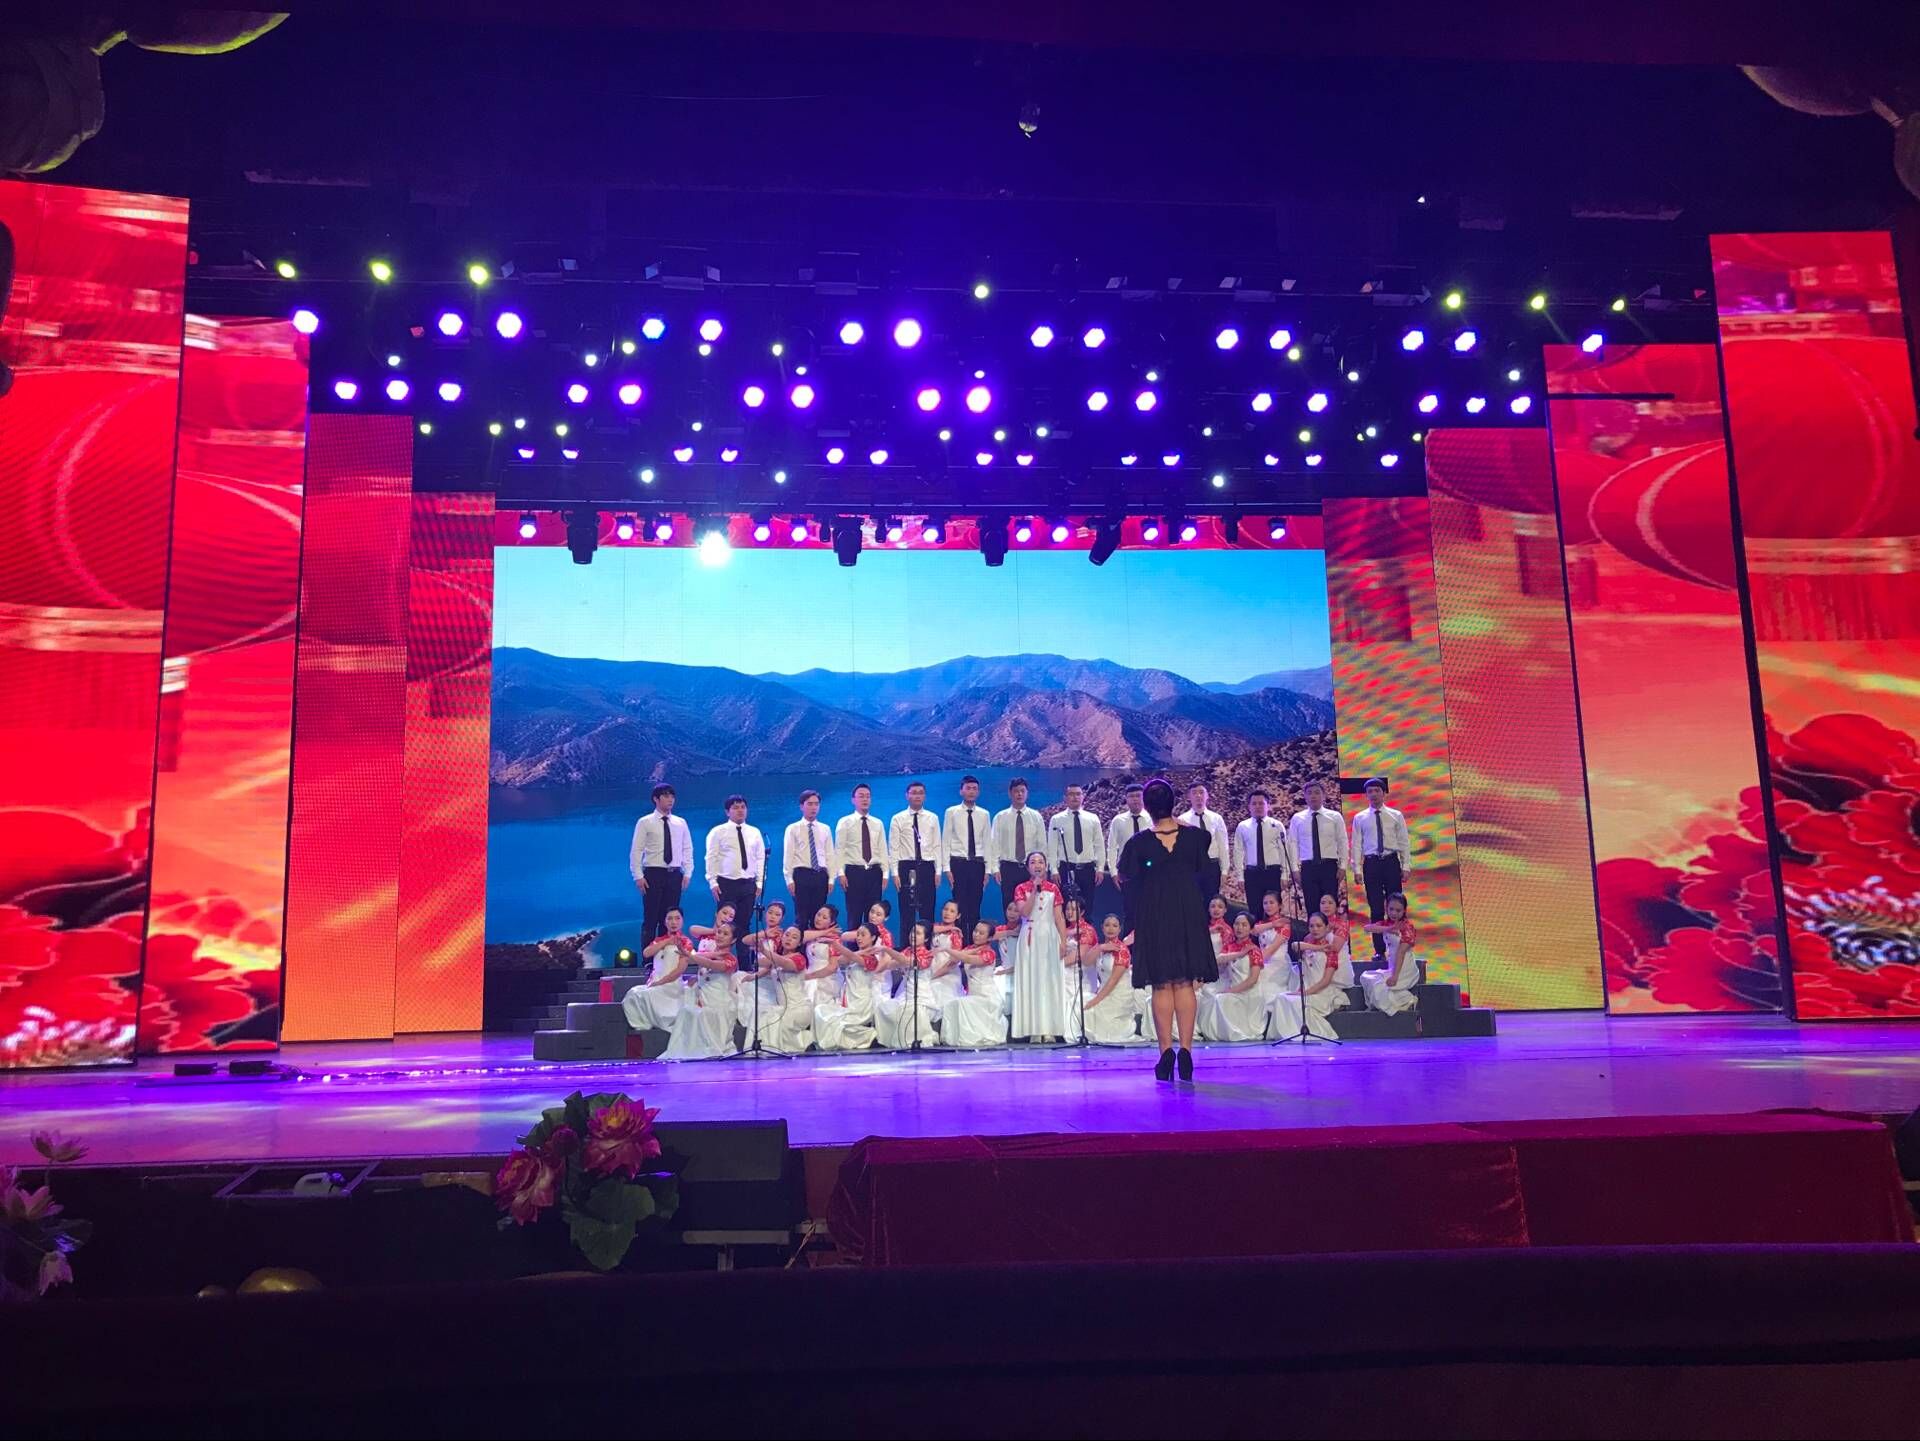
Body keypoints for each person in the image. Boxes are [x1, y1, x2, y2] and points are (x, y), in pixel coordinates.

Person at [1117, 777, 1219, 1082]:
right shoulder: (1196, 837)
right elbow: (1205, 871)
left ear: (1147, 807)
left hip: (1155, 914)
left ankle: (1165, 1053)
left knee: (1162, 984)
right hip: (1188, 912)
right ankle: (1186, 1050)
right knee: (1185, 983)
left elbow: (1126, 878)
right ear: (1174, 803)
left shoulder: (1138, 843)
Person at [1010, 850, 1069, 1041]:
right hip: (1030, 934)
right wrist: (1034, 891)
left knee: (1049, 980)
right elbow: (1025, 912)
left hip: (1049, 936)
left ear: (1046, 866)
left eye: (1041, 862)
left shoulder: (1053, 888)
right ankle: (1034, 1029)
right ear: (1028, 867)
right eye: (1033, 862)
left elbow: (1059, 917)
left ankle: (1050, 1028)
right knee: (1032, 979)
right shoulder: (1021, 888)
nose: (1037, 865)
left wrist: (1063, 941)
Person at [1349, 778, 1410, 958]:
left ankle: (1399, 945)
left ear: (1384, 793)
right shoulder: (1360, 818)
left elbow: (1403, 842)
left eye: (1377, 790)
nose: (1373, 794)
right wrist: (1357, 869)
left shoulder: (1396, 815)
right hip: (1372, 864)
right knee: (1376, 907)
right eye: (1370, 791)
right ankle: (1379, 950)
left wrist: (1406, 866)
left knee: (1396, 906)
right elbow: (1356, 844)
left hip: (1391, 862)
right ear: (1366, 795)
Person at [661, 921, 740, 1060]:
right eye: (719, 932)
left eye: (725, 934)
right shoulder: (706, 954)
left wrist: (690, 955)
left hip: (719, 1003)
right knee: (686, 1011)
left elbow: (711, 964)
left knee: (701, 1014)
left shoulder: (731, 960)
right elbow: (695, 961)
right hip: (702, 999)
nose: (720, 936)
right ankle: (686, 1051)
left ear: (733, 940)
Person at [705, 795, 766, 970]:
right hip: (726, 884)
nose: (740, 810)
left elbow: (760, 858)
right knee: (724, 926)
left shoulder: (754, 832)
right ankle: (720, 963)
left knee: (744, 925)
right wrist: (713, 882)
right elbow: (711, 857)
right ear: (727, 811)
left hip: (748, 884)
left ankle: (745, 967)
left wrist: (759, 883)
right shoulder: (718, 832)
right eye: (735, 807)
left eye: (743, 807)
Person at [629, 784, 694, 945]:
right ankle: (648, 957)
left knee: (670, 919)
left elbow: (687, 848)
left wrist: (687, 873)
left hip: (674, 875)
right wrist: (638, 876)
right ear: (656, 799)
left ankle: (666, 955)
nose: (670, 799)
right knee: (651, 919)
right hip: (653, 874)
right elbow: (636, 850)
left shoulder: (680, 822)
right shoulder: (645, 822)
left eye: (672, 796)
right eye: (665, 796)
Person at [890, 781, 944, 962]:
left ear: (925, 796)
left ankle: (926, 955)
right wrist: (895, 873)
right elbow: (894, 848)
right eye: (913, 792)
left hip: (927, 867)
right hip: (907, 867)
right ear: (907, 795)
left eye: (920, 792)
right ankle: (906, 955)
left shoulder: (932, 818)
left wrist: (938, 871)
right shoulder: (898, 818)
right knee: (907, 912)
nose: (917, 795)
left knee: (927, 911)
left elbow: (937, 845)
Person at [1273, 912, 1349, 1042]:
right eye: (1311, 926)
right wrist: (1319, 947)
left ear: (1326, 927)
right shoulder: (1311, 946)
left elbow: (1325, 981)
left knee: (1296, 1001)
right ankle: (1287, 1034)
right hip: (1305, 989)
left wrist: (1305, 993)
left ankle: (1302, 1032)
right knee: (1281, 997)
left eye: (1319, 926)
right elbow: (1295, 945)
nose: (1315, 929)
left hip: (1321, 993)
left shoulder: (1331, 952)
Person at [807, 913, 878, 1052]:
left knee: (833, 1021)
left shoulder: (872, 959)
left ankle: (869, 1035)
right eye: (858, 934)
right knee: (820, 1010)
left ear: (873, 938)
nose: (859, 938)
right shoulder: (857, 955)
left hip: (860, 1004)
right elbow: (840, 960)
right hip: (847, 1001)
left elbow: (851, 956)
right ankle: (818, 1042)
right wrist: (860, 952)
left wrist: (835, 944)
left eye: (863, 935)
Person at [1197, 912, 1268, 1043]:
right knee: (1208, 994)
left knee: (1222, 999)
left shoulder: (1254, 950)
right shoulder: (1230, 946)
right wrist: (1239, 954)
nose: (1239, 928)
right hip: (1232, 988)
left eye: (1244, 925)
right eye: (1236, 924)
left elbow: (1252, 980)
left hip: (1249, 992)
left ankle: (1232, 1033)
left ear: (1251, 929)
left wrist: (1231, 991)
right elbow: (1218, 960)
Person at [940, 920, 1008, 1049]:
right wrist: (974, 950)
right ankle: (952, 1040)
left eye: (981, 933)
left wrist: (946, 949)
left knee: (961, 1003)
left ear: (989, 938)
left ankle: (969, 1038)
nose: (976, 935)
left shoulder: (989, 953)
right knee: (951, 1003)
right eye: (975, 931)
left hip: (987, 997)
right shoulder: (969, 949)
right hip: (973, 995)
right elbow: (954, 959)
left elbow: (967, 959)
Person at [621, 907, 690, 1033]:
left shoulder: (686, 942)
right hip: (655, 982)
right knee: (633, 994)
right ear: (665, 922)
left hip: (671, 985)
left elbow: (680, 970)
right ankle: (643, 1025)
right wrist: (667, 941)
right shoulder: (659, 940)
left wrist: (660, 982)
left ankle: (659, 1021)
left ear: (682, 921)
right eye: (670, 919)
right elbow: (646, 953)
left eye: (677, 918)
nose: (673, 922)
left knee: (647, 995)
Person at [874, 922, 941, 1050]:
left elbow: (907, 961)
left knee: (910, 1011)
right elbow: (890, 965)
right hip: (905, 995)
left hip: (921, 996)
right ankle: (886, 1041)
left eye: (918, 933)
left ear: (926, 938)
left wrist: (888, 950)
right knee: (883, 1008)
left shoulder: (928, 954)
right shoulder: (907, 951)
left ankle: (911, 1040)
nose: (913, 935)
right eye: (912, 932)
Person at [943, 775, 994, 938]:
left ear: (978, 792)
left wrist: (988, 870)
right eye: (968, 788)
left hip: (977, 865)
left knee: (975, 906)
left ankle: (974, 943)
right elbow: (946, 841)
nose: (971, 791)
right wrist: (947, 868)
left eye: (974, 788)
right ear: (961, 791)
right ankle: (958, 942)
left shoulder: (984, 814)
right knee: (959, 907)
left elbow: (987, 843)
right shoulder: (951, 812)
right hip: (958, 864)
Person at [783, 790, 838, 942]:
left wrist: (831, 879)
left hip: (820, 875)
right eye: (810, 804)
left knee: (818, 917)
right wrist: (789, 879)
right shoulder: (793, 828)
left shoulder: (825, 829)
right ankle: (799, 950)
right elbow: (788, 855)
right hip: (801, 875)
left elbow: (830, 855)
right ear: (802, 806)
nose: (813, 807)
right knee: (801, 916)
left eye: (816, 804)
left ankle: (816, 949)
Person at [1288, 780, 1347, 919]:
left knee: (1329, 906)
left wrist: (1343, 866)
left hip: (1329, 867)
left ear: (1323, 795)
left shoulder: (1335, 816)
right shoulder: (1297, 818)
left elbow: (1342, 841)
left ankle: (1331, 932)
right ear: (1305, 796)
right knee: (1312, 906)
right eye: (1309, 793)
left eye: (1317, 792)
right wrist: (1294, 869)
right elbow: (1293, 844)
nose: (1313, 796)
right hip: (1308, 868)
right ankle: (1313, 933)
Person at [1047, 782, 1106, 921]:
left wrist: (1100, 868)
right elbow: (1052, 847)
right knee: (1067, 909)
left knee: (1087, 909)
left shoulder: (1093, 818)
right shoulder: (1057, 819)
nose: (1075, 797)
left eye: (1078, 794)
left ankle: (1087, 934)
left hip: (1087, 869)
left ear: (1083, 796)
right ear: (1065, 798)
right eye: (1071, 794)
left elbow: (1099, 845)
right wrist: (1054, 870)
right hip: (1066, 869)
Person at [835, 783, 890, 934]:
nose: (865, 799)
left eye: (867, 796)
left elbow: (883, 849)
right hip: (854, 873)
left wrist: (885, 874)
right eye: (861, 796)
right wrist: (841, 873)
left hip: (875, 873)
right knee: (854, 914)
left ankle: (871, 948)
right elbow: (839, 850)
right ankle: (853, 948)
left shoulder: (877, 823)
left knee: (873, 917)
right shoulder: (845, 822)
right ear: (853, 800)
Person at [1083, 915, 1144, 1045]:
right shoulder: (1101, 948)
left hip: (1118, 995)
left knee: (1090, 1011)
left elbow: (1113, 981)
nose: (1110, 929)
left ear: (1119, 929)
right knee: (1079, 1004)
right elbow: (1086, 961)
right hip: (1103, 992)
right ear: (1102, 928)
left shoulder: (1122, 950)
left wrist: (1095, 1001)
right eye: (1107, 925)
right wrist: (1100, 948)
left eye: (1115, 926)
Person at [1232, 790, 1291, 923]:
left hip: (1272, 873)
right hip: (1252, 874)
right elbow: (1238, 851)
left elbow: (1284, 851)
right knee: (1255, 911)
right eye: (1254, 803)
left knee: (1273, 911)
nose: (1257, 806)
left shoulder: (1277, 825)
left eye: (1261, 803)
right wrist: (1240, 876)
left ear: (1268, 805)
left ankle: (1274, 936)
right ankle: (1257, 936)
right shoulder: (1243, 826)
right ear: (1249, 806)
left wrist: (1285, 875)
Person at [757, 924, 816, 1053]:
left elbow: (785, 963)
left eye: (794, 937)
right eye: (787, 935)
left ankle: (806, 1041)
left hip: (798, 1008)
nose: (789, 939)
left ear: (799, 943)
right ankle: (766, 1053)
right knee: (765, 1020)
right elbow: (760, 961)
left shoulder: (800, 959)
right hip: (782, 1008)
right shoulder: (775, 959)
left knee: (780, 1024)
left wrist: (765, 951)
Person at [1359, 893, 1420, 1016]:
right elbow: (1367, 928)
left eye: (1398, 910)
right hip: (1392, 967)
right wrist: (1388, 929)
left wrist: (1395, 977)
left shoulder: (1407, 927)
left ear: (1404, 911)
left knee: (1378, 985)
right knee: (1366, 978)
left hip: (1404, 969)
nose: (1394, 913)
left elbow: (1401, 953)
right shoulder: (1387, 924)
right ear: (1386, 908)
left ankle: (1397, 1004)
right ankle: (1405, 1000)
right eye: (1391, 909)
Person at [991, 778, 1040, 918]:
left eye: (1022, 791)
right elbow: (994, 844)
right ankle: (1010, 932)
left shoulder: (1035, 816)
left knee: (1032, 907)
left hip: (1030, 869)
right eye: (1016, 791)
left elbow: (1041, 845)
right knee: (1010, 908)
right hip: (1008, 869)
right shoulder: (1000, 817)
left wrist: (1041, 870)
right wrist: (995, 868)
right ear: (1010, 793)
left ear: (1027, 793)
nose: (1019, 794)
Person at [1106, 782, 1150, 930]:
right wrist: (1113, 872)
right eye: (1131, 796)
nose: (1135, 799)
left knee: (1150, 912)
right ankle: (1128, 944)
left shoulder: (1152, 819)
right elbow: (1112, 847)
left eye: (1138, 796)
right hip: (1127, 873)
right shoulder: (1118, 821)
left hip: (1149, 872)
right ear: (1126, 799)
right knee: (1130, 913)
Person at [1177, 782, 1230, 903]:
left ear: (1207, 795)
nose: (1198, 796)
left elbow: (1223, 846)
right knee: (1192, 902)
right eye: (1194, 793)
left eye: (1201, 792)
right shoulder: (1182, 820)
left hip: (1212, 866)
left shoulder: (1216, 818)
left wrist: (1224, 870)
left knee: (1211, 902)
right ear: (1189, 797)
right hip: (1192, 868)